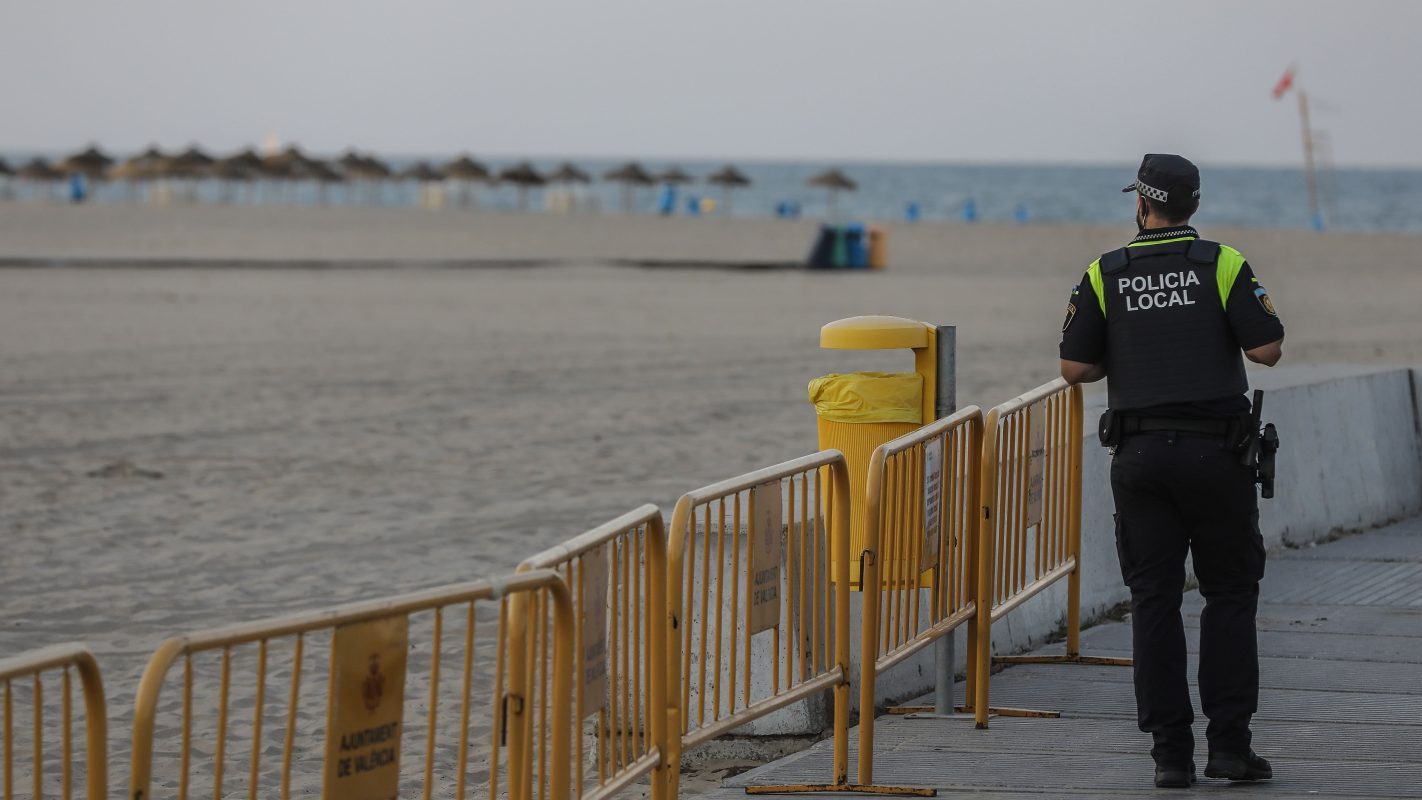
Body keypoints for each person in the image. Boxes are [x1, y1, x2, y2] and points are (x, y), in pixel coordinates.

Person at [1058, 154, 1285, 789]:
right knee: (1230, 594)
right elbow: (1265, 349)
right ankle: (1232, 748)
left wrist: (1127, 350)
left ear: (1142, 205)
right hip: (1218, 456)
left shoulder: (1107, 272)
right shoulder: (1224, 263)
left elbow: (1074, 369)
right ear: (1193, 206)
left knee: (1153, 598)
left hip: (1141, 457)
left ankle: (1169, 755)